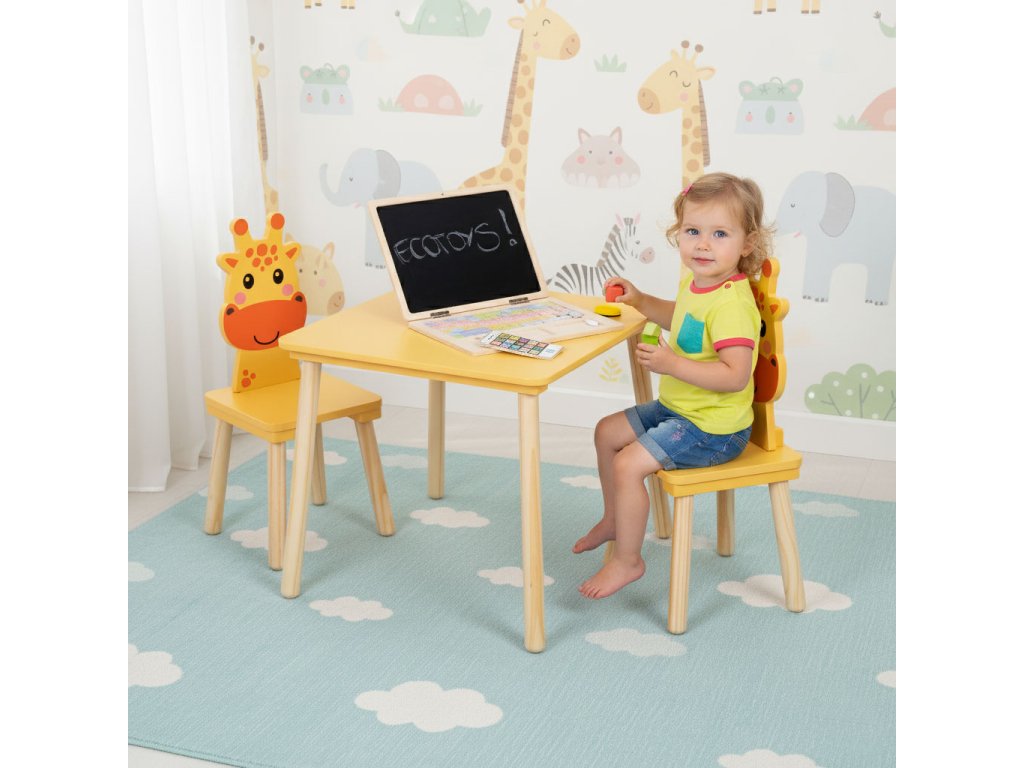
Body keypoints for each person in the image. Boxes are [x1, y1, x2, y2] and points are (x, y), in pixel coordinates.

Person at [574, 172, 774, 599]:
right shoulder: (698, 281)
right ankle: (615, 518)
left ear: (748, 244)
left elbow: (735, 376)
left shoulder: (732, 304)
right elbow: (682, 317)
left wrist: (671, 364)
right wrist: (641, 301)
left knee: (628, 464)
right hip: (681, 410)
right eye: (693, 231)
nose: (703, 244)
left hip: (714, 429)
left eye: (720, 234)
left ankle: (628, 561)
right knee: (607, 432)